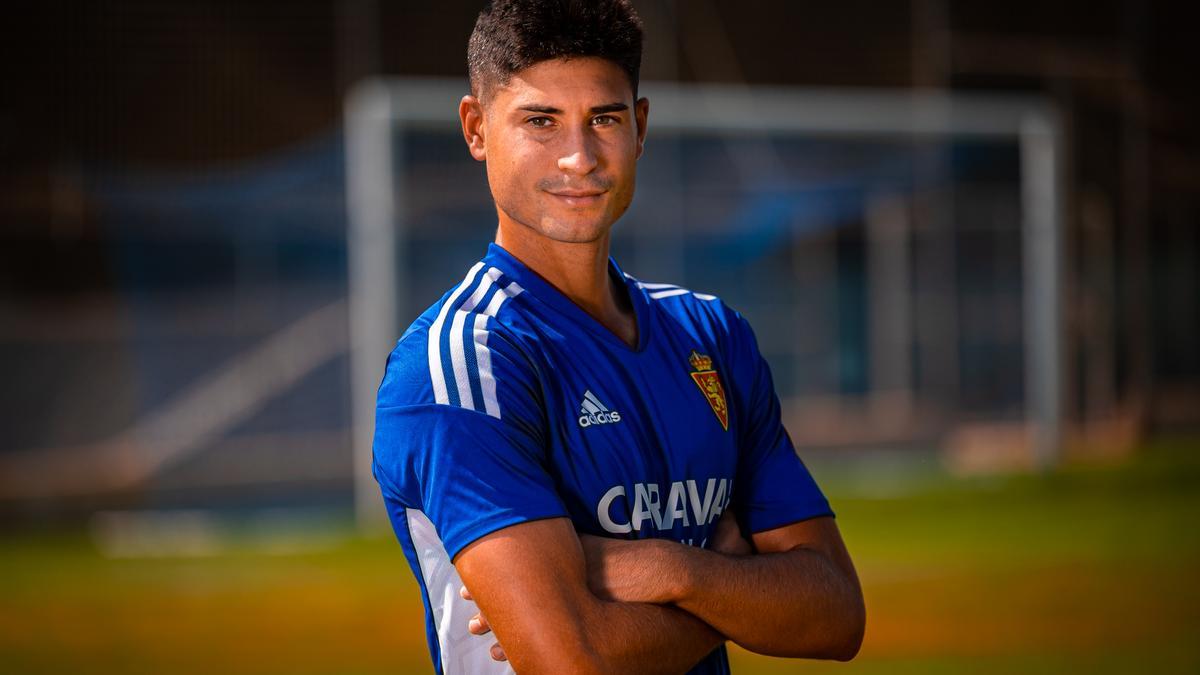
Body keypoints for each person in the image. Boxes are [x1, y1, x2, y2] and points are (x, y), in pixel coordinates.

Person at [372, 1, 866, 673]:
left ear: (639, 128)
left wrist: (675, 569)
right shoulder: (463, 362)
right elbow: (575, 663)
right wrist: (732, 577)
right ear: (476, 127)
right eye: (541, 121)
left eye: (603, 119)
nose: (578, 157)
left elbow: (835, 614)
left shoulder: (712, 336)